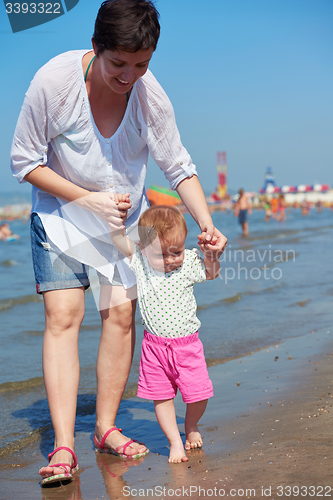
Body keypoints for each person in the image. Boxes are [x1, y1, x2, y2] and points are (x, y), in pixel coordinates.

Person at [10, 0, 227, 485]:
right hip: (61, 215)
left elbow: (179, 166)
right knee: (64, 316)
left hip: (122, 230)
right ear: (96, 49)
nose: (130, 77)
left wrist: (208, 223)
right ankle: (64, 445)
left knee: (122, 315)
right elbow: (23, 162)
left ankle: (105, 428)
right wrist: (88, 200)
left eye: (142, 64)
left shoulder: (151, 97)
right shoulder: (54, 83)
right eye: (119, 65)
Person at [110, 202, 221, 463]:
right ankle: (174, 442)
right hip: (154, 349)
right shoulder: (141, 262)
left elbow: (212, 274)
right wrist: (117, 220)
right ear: (144, 248)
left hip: (188, 347)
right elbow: (118, 240)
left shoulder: (189, 263)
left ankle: (191, 426)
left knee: (199, 393)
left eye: (176, 252)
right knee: (161, 398)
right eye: (162, 255)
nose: (171, 260)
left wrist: (211, 255)